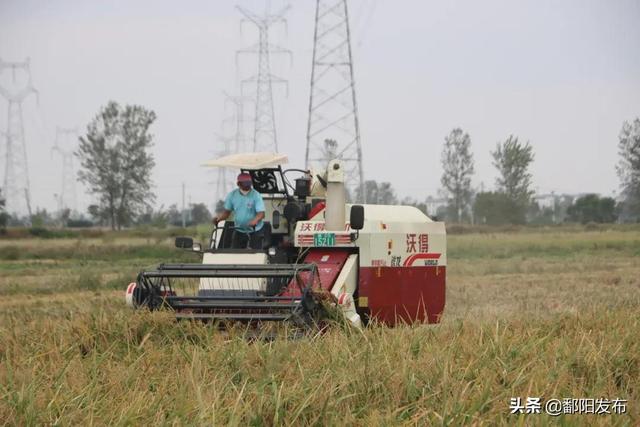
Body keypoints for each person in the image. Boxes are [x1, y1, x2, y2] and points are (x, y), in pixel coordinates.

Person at [213, 172, 266, 249]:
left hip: (255, 231)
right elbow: (227, 213)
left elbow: (261, 214)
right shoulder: (232, 195)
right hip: (239, 230)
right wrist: (218, 219)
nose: (248, 186)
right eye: (245, 184)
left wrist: (255, 220)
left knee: (255, 255)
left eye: (249, 183)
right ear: (238, 184)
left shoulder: (256, 195)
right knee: (235, 254)